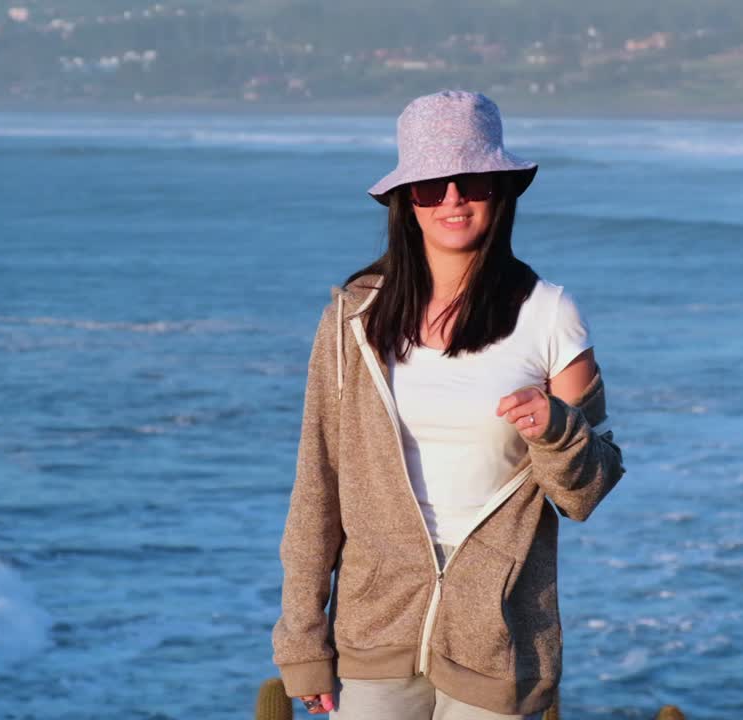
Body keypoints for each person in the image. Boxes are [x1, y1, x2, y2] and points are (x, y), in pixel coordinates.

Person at [271, 90, 625, 720]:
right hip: (374, 629)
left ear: (503, 190)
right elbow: (316, 487)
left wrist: (557, 429)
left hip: (499, 641)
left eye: (473, 181)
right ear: (406, 200)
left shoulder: (550, 315)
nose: (453, 199)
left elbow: (585, 491)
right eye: (432, 185)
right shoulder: (354, 317)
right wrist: (303, 639)